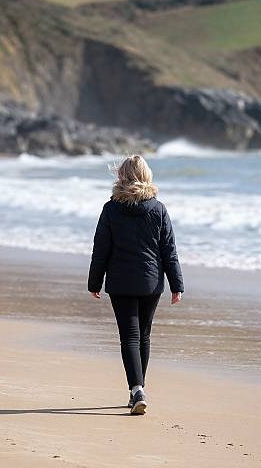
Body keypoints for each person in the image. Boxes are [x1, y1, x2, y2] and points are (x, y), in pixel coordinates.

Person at [88, 154, 184, 415]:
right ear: (146, 175)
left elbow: (101, 249)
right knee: (144, 335)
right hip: (151, 283)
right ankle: (138, 389)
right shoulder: (158, 208)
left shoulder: (111, 209)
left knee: (129, 337)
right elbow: (169, 251)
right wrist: (177, 284)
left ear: (122, 176)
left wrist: (94, 281)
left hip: (120, 282)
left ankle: (136, 389)